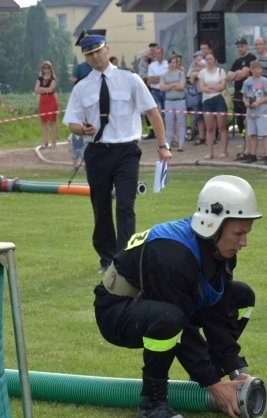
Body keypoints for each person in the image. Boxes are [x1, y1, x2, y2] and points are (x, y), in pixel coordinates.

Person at [94, 175, 261, 418]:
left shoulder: (219, 250)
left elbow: (217, 311)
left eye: (246, 233)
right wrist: (213, 385)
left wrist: (234, 369)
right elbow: (181, 326)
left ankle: (212, 368)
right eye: (238, 233)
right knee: (169, 319)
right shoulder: (171, 256)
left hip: (163, 307)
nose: (244, 242)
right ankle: (152, 402)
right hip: (116, 312)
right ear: (213, 225)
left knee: (242, 297)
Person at [63, 29, 171, 275]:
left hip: (126, 151)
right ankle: (106, 258)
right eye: (89, 54)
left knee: (125, 205)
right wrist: (82, 129)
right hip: (98, 151)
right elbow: (71, 122)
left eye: (98, 52)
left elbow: (152, 112)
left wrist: (163, 146)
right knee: (100, 207)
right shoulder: (81, 88)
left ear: (107, 50)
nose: (94, 57)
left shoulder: (130, 79)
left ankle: (125, 259)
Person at [197, 51, 229, 160]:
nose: (209, 61)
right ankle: (210, 152)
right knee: (209, 128)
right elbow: (202, 88)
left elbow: (222, 87)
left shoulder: (221, 71)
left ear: (215, 60)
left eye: (211, 59)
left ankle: (224, 151)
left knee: (222, 126)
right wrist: (214, 87)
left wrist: (210, 87)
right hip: (207, 101)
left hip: (219, 99)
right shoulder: (202, 72)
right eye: (207, 59)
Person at [227, 37, 256, 155]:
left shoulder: (251, 58)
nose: (240, 49)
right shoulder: (237, 61)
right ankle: (245, 145)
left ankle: (249, 149)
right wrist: (237, 74)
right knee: (240, 123)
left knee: (247, 121)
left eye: (242, 46)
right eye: (238, 47)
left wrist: (237, 74)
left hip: (248, 93)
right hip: (237, 93)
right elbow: (228, 76)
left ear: (246, 46)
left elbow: (243, 74)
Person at [242, 60, 267, 165]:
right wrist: (246, 102)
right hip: (250, 112)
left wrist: (259, 102)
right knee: (252, 134)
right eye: (256, 69)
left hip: (261, 111)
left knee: (264, 133)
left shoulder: (264, 81)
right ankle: (252, 155)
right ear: (252, 70)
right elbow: (244, 95)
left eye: (260, 69)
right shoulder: (247, 82)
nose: (259, 71)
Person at [160, 53, 187, 152]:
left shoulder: (181, 73)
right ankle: (168, 144)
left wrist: (169, 86)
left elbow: (181, 87)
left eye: (174, 62)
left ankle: (181, 144)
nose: (172, 64)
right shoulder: (164, 75)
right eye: (171, 62)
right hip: (169, 101)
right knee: (169, 124)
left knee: (181, 123)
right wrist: (174, 84)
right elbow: (162, 88)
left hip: (180, 101)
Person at [34, 61, 59, 149]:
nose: (46, 69)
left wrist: (41, 88)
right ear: (42, 69)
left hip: (51, 100)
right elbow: (36, 90)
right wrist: (45, 90)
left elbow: (51, 90)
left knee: (53, 121)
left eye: (48, 67)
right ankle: (45, 142)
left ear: (51, 68)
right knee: (43, 122)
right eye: (44, 68)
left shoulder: (53, 79)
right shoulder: (39, 78)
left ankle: (54, 141)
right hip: (43, 100)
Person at [187, 48, 207, 146]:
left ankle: (211, 137)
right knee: (198, 117)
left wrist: (195, 70)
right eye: (195, 57)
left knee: (207, 115)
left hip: (205, 92)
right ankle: (201, 137)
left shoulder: (205, 62)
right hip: (195, 92)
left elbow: (206, 69)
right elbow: (189, 75)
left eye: (197, 56)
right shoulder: (192, 64)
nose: (196, 58)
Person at [146, 46, 168, 115]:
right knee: (158, 114)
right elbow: (150, 80)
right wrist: (163, 77)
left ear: (163, 53)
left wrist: (156, 77)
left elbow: (169, 78)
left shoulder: (168, 64)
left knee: (167, 114)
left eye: (159, 53)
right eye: (156, 53)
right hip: (155, 92)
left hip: (166, 92)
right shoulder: (151, 66)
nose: (158, 55)